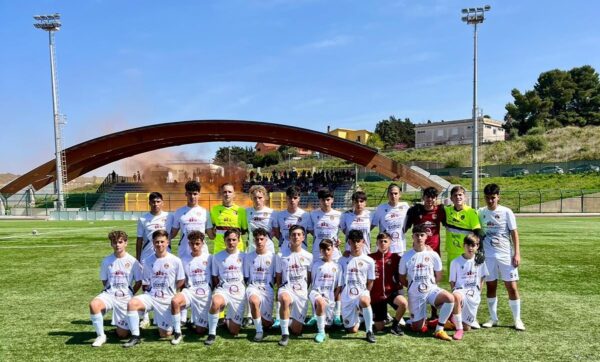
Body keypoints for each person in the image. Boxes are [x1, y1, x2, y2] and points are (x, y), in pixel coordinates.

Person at [123, 230, 185, 348]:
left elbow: (181, 280)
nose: (159, 244)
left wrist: (171, 291)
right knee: (132, 303)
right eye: (157, 242)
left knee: (165, 334)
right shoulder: (147, 260)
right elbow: (145, 282)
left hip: (167, 299)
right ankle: (136, 336)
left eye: (162, 241)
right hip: (151, 296)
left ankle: (169, 326)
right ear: (153, 243)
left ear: (168, 242)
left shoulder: (176, 260)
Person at [478, 183, 525, 331]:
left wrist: (517, 253)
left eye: (493, 198)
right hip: (488, 256)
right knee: (491, 286)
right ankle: (493, 318)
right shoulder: (480, 212)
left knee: (511, 287)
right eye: (487, 198)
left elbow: (514, 233)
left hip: (505, 256)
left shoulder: (506, 212)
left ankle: (517, 320)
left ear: (498, 197)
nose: (490, 201)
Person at [399, 225, 455, 341]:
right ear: (412, 237)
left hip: (430, 290)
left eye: (422, 235)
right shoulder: (406, 256)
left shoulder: (433, 254)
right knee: (418, 328)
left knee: (449, 298)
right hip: (415, 294)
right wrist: (412, 287)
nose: (419, 238)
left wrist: (430, 285)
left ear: (426, 237)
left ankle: (439, 329)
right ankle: (423, 322)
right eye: (417, 235)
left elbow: (438, 275)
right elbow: (402, 278)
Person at [89, 231, 142, 347]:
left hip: (125, 297)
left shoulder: (133, 262)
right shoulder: (106, 261)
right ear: (111, 244)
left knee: (122, 335)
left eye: (120, 242)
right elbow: (104, 280)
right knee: (94, 304)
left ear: (126, 243)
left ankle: (132, 320)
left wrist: (131, 292)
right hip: (110, 294)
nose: (117, 245)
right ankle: (101, 336)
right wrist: (110, 290)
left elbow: (139, 281)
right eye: (114, 242)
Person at [404, 186, 445, 323]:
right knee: (415, 280)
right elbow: (404, 228)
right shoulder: (416, 210)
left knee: (433, 281)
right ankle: (414, 313)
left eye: (433, 197)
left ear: (436, 199)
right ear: (423, 198)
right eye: (427, 197)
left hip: (434, 253)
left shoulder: (440, 211)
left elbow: (450, 224)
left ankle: (434, 313)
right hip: (417, 253)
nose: (430, 200)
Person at [169, 231, 212, 345]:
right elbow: (182, 280)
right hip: (190, 291)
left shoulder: (210, 258)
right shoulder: (183, 259)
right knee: (175, 301)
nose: (195, 246)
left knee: (200, 331)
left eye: (197, 243)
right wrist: (180, 293)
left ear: (203, 243)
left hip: (205, 293)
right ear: (188, 244)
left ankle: (200, 321)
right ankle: (178, 333)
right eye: (192, 244)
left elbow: (215, 278)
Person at [205, 229, 246, 345]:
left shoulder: (244, 256)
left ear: (238, 241)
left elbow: (247, 277)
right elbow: (214, 276)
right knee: (216, 302)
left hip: (238, 292)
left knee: (234, 331)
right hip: (223, 289)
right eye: (228, 240)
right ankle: (212, 333)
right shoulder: (217, 257)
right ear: (224, 241)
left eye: (234, 240)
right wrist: (218, 289)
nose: (231, 242)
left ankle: (229, 319)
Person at [275, 225, 313, 346]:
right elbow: (278, 276)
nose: (296, 237)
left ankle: (287, 320)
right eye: (293, 235)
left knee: (297, 330)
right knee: (285, 299)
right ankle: (284, 334)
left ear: (303, 237)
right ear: (289, 237)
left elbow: (309, 277)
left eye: (299, 234)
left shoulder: (309, 256)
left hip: (301, 292)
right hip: (286, 288)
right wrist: (279, 290)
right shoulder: (281, 255)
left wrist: (304, 289)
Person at [449, 233, 489, 340]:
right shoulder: (455, 262)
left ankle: (452, 318)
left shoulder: (479, 261)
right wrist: (454, 293)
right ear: (463, 246)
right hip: (460, 292)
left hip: (473, 295)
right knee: (457, 296)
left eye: (473, 245)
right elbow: (452, 281)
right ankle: (458, 329)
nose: (470, 248)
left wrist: (479, 291)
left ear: (477, 246)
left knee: (468, 328)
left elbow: (482, 277)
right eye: (468, 245)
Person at [339, 229, 376, 343]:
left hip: (361, 292)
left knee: (365, 301)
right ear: (349, 242)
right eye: (353, 241)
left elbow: (370, 280)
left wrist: (367, 293)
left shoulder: (369, 261)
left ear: (363, 242)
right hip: (347, 295)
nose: (356, 244)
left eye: (358, 241)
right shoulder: (342, 259)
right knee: (352, 330)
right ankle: (360, 318)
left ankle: (369, 331)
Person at [369, 232, 408, 335]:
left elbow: (408, 263)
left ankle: (394, 325)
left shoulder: (396, 258)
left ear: (390, 242)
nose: (383, 243)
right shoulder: (370, 258)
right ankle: (385, 317)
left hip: (391, 293)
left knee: (403, 303)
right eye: (380, 241)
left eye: (385, 241)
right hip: (376, 296)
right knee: (379, 328)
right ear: (377, 243)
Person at [244, 228, 277, 342]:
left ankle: (268, 322)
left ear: (266, 240)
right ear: (254, 240)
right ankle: (258, 331)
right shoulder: (248, 257)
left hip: (267, 289)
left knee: (267, 324)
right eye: (257, 239)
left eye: (261, 239)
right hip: (253, 287)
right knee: (253, 301)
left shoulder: (274, 257)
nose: (259, 242)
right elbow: (246, 277)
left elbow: (276, 277)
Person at [309, 239, 343, 343]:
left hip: (330, 297)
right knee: (321, 302)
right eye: (323, 250)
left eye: (328, 249)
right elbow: (313, 282)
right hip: (316, 293)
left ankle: (323, 317)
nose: (326, 252)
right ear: (320, 251)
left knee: (329, 325)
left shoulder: (337, 267)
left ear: (333, 249)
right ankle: (321, 332)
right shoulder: (316, 264)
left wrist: (332, 298)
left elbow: (338, 287)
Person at [170, 181, 212, 258]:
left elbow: (211, 235)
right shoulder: (179, 212)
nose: (192, 196)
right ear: (186, 194)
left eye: (195, 194)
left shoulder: (205, 212)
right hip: (184, 252)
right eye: (190, 193)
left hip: (202, 253)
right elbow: (173, 233)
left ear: (199, 194)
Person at [444, 185, 481, 267]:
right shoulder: (447, 211)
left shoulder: (471, 212)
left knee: (465, 279)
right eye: (455, 195)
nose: (458, 197)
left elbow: (477, 233)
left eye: (460, 195)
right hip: (451, 253)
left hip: (466, 253)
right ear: (451, 199)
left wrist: (479, 250)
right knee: (452, 279)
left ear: (465, 197)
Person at [208, 183, 248, 254]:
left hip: (237, 251)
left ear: (234, 194)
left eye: (230, 192)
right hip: (219, 250)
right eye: (224, 192)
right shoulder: (214, 210)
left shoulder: (241, 211)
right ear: (221, 194)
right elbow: (211, 229)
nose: (227, 194)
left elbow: (244, 231)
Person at [371, 183, 410, 255]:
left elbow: (412, 220)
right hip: (384, 247)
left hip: (399, 247)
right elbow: (372, 225)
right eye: (391, 194)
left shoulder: (405, 206)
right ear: (387, 195)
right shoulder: (381, 208)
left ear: (400, 194)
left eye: (396, 193)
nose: (393, 196)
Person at [272, 186, 310, 255]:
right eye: (290, 197)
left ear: (299, 199)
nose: (292, 200)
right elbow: (277, 234)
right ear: (286, 198)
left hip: (301, 250)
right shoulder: (279, 215)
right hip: (284, 250)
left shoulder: (306, 215)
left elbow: (311, 232)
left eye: (295, 198)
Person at [308, 188, 342, 261]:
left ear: (332, 200)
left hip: (334, 252)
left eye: (328, 200)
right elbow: (311, 230)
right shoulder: (313, 214)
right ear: (319, 200)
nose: (326, 202)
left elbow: (343, 230)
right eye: (323, 200)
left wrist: (337, 239)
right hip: (318, 251)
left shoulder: (339, 215)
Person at [136, 192, 170, 263]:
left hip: (165, 255)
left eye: (158, 202)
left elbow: (174, 231)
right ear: (149, 203)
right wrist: (138, 258)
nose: (156, 204)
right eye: (153, 202)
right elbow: (139, 240)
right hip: (147, 256)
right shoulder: (142, 219)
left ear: (162, 203)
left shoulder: (169, 217)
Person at [246, 185, 276, 254]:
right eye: (255, 198)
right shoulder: (246, 212)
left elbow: (276, 232)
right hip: (252, 248)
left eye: (260, 197)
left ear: (264, 197)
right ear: (251, 198)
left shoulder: (272, 213)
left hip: (268, 247)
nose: (257, 200)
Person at [341, 191, 372, 256]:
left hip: (366, 251)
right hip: (350, 251)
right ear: (353, 203)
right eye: (356, 201)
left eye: (361, 201)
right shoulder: (346, 215)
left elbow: (370, 229)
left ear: (365, 203)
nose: (359, 204)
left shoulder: (370, 215)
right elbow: (345, 231)